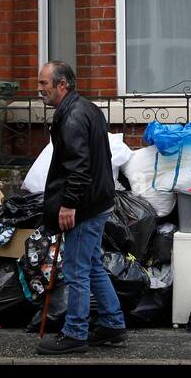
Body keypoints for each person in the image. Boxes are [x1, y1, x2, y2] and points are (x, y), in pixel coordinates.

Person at [34, 60, 127, 355]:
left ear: (63, 84)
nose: (39, 90)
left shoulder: (72, 116)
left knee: (76, 270)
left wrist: (69, 205)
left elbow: (79, 166)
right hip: (99, 200)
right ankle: (112, 324)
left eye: (44, 84)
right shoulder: (87, 108)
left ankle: (75, 333)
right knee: (92, 265)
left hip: (85, 205)